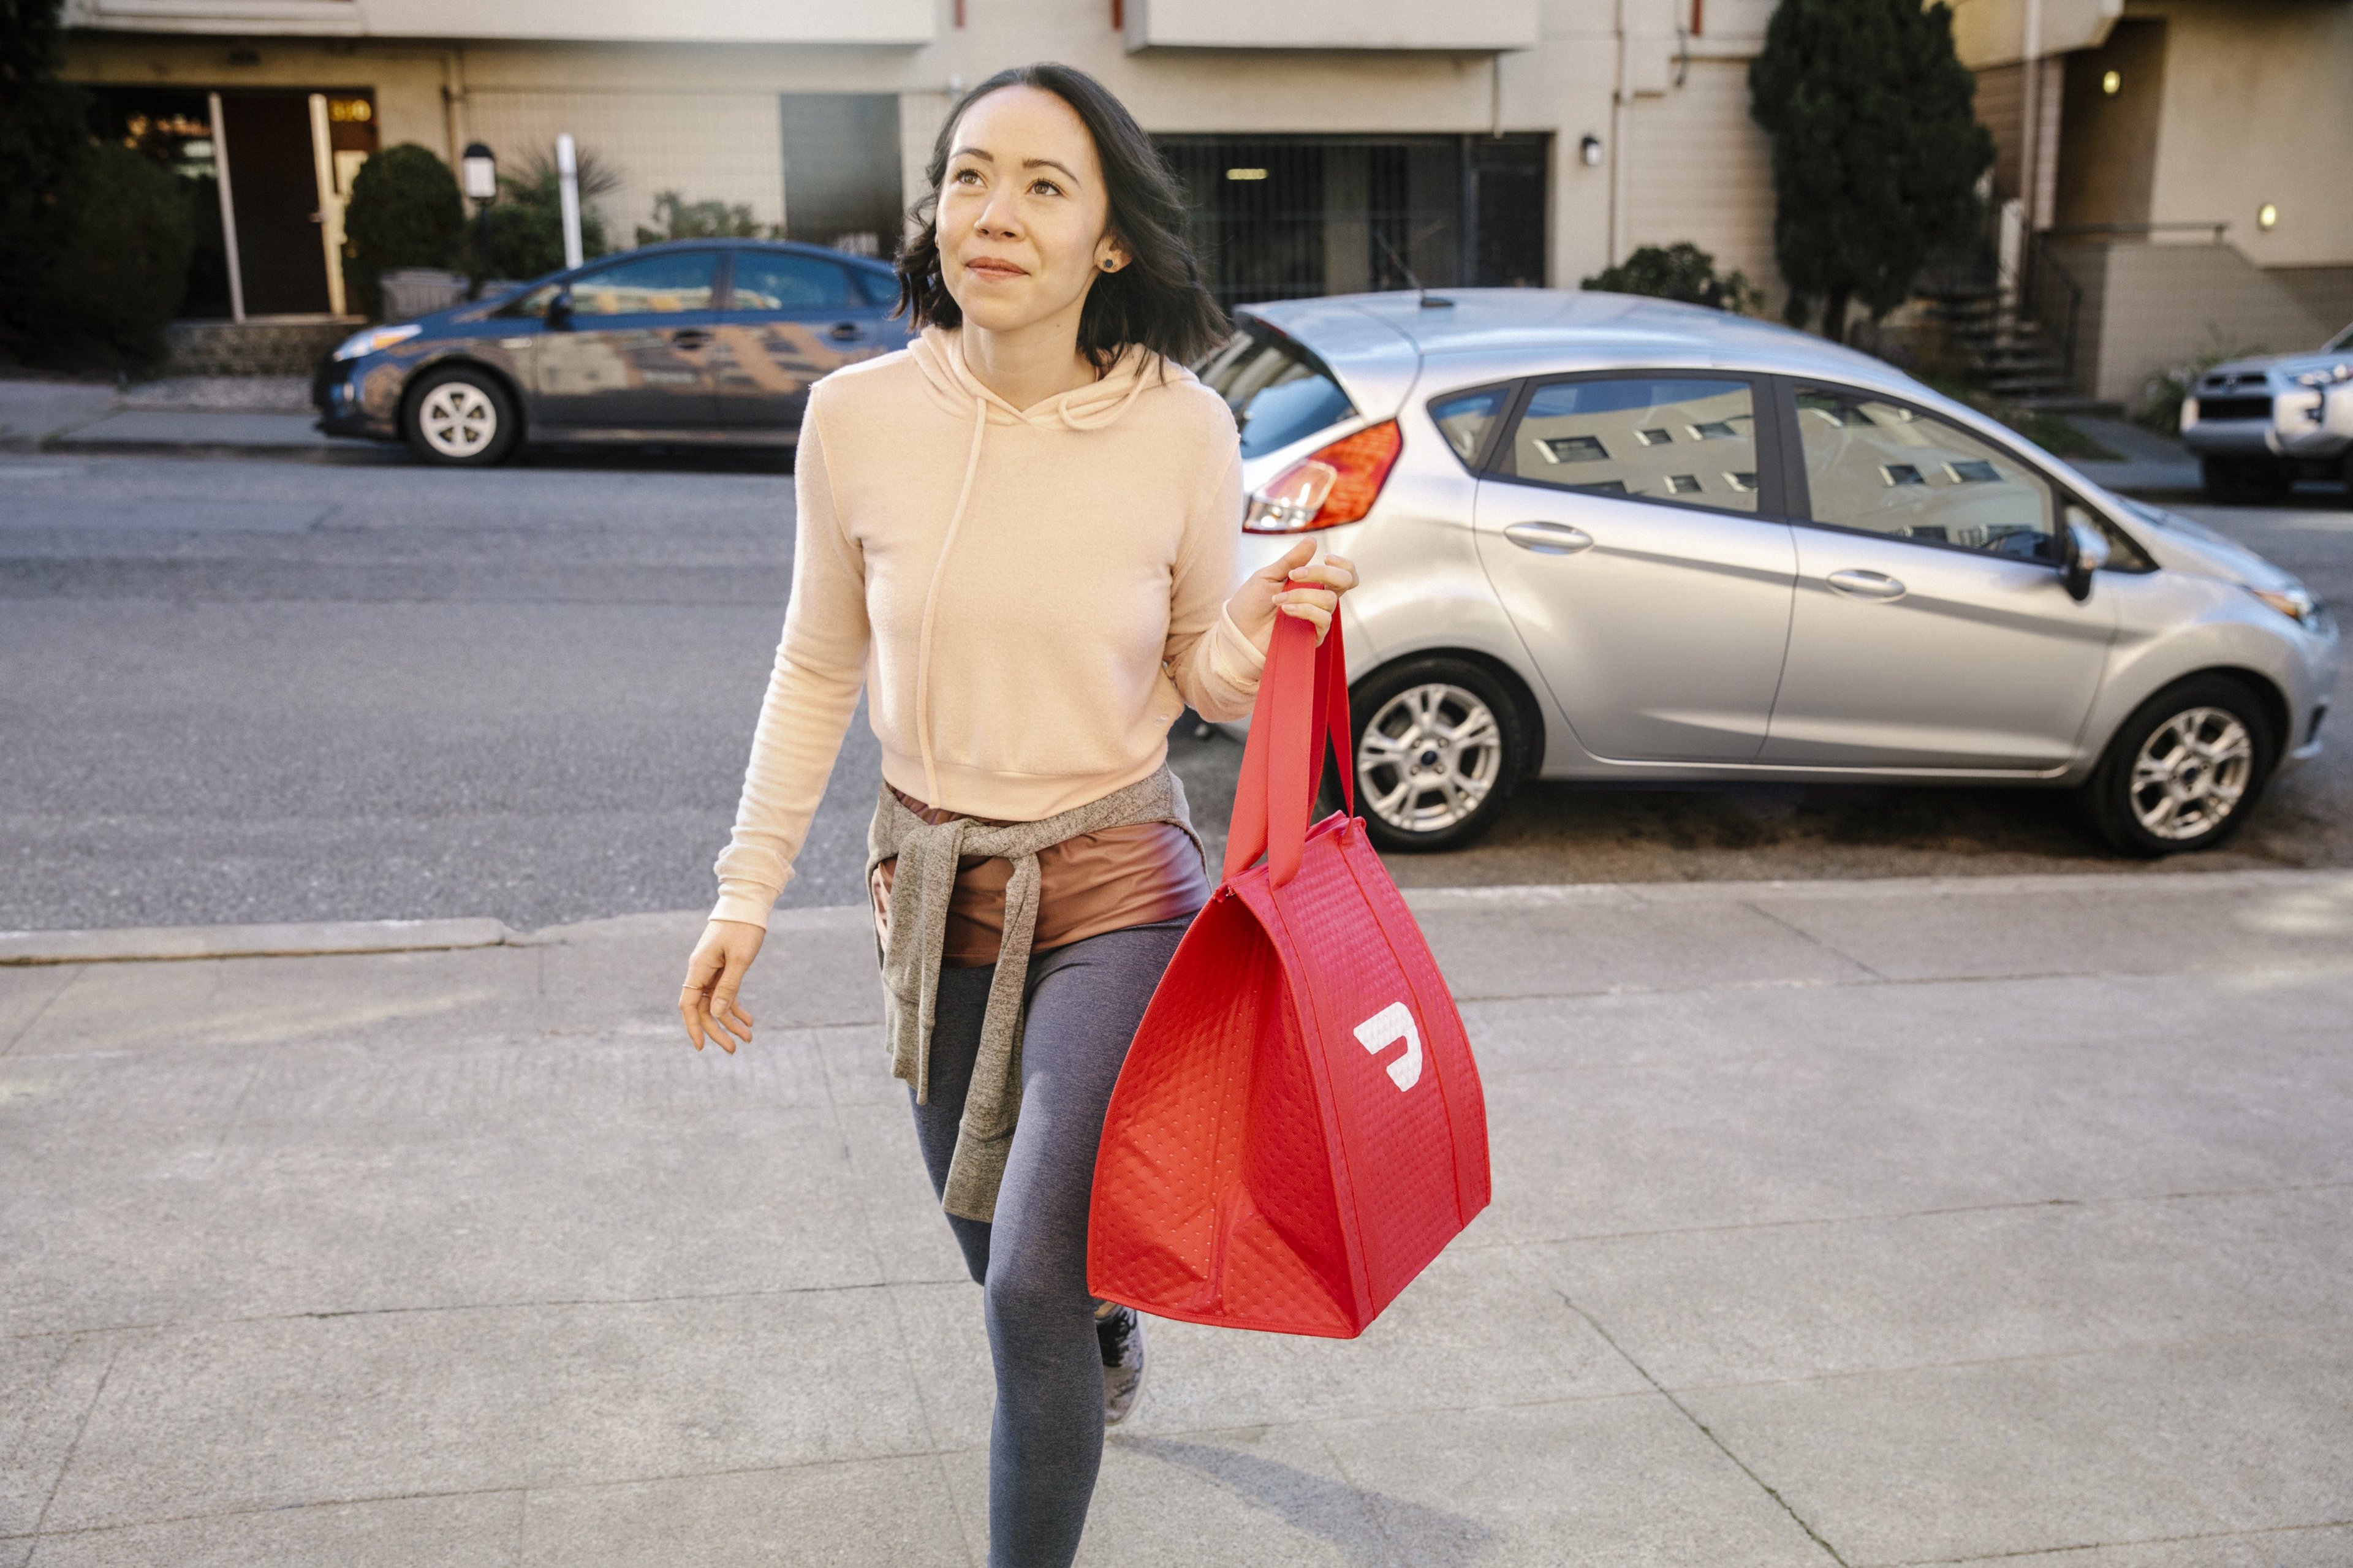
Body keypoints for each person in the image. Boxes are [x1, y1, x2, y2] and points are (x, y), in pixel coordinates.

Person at [676, 62, 1357, 1568]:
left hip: (1117, 876)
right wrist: (744, 893)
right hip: (929, 887)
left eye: (1047, 184)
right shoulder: (855, 419)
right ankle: (1104, 1323)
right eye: (972, 174)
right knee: (994, 1245)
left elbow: (1206, 677)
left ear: (1109, 238)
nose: (997, 212)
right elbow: (814, 662)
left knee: (1020, 1293)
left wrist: (1265, 618)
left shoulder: (1181, 426)